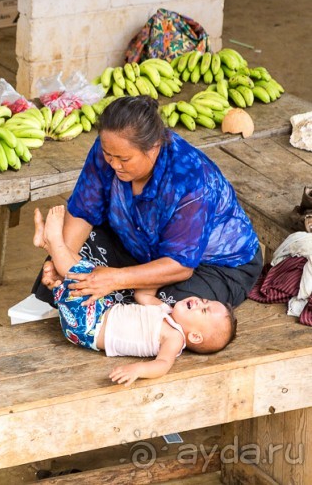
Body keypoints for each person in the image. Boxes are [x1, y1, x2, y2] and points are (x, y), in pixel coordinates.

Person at [31, 95, 263, 312]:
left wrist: (113, 278)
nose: (113, 164)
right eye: (108, 155)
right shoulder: (110, 148)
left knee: (175, 314)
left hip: (211, 266)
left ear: (153, 147)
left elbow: (180, 264)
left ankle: (108, 313)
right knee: (69, 259)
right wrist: (62, 261)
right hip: (137, 247)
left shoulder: (190, 180)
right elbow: (83, 211)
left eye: (124, 159)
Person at [35, 205, 237, 386]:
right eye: (205, 301)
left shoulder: (174, 338)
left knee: (82, 275)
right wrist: (163, 268)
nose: (199, 301)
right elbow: (143, 293)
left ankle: (54, 242)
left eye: (204, 310)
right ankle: (49, 245)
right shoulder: (164, 309)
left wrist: (138, 370)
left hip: (89, 326)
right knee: (93, 271)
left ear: (194, 336)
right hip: (101, 310)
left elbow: (163, 364)